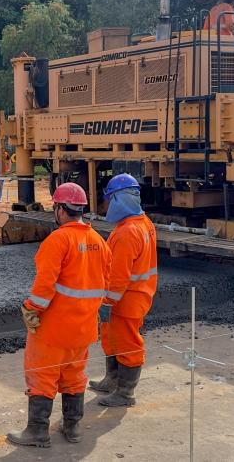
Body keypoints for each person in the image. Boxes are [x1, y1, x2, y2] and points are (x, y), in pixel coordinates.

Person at [7, 183, 111, 447]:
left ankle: (37, 432)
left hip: (53, 328)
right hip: (84, 329)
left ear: (61, 210)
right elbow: (105, 283)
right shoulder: (99, 242)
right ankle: (72, 428)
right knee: (74, 377)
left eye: (55, 207)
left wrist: (32, 309)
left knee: (42, 376)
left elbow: (45, 285)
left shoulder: (59, 240)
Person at [89, 173, 158, 407]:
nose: (106, 204)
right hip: (135, 295)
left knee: (128, 343)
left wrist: (106, 302)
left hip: (127, 300)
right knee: (112, 338)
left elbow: (118, 277)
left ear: (118, 199)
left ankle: (125, 393)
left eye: (109, 199)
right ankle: (113, 379)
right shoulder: (143, 223)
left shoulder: (127, 232)